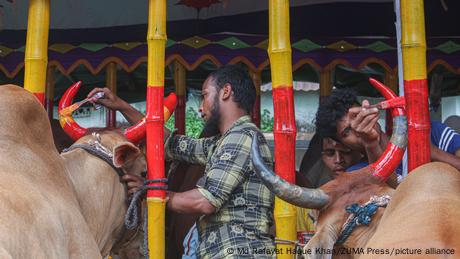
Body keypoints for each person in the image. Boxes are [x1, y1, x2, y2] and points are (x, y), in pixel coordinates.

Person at [89, 64, 275, 258]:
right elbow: (170, 143)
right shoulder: (221, 142)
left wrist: (152, 190)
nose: (201, 107)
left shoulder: (242, 137)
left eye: (204, 95)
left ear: (226, 92)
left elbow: (206, 200)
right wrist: (121, 105)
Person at [315, 88, 460, 173]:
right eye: (347, 132)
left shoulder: (431, 131)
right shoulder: (357, 173)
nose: (358, 127)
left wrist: (422, 148)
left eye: (358, 115)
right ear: (343, 144)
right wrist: (371, 144)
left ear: (369, 110)